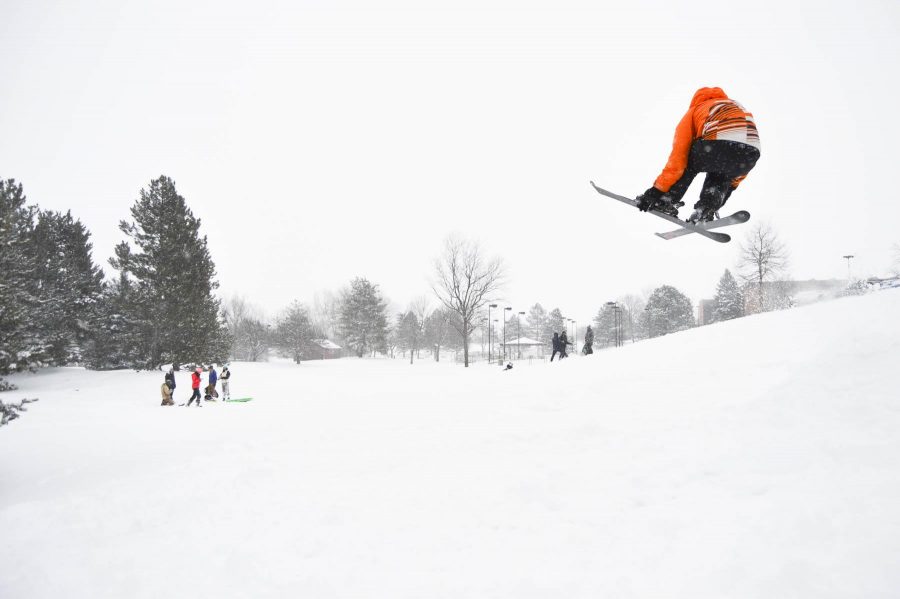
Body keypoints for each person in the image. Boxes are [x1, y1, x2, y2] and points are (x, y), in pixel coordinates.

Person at [635, 87, 761, 223]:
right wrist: (720, 199)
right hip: (751, 154)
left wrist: (657, 191)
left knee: (687, 160)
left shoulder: (696, 109)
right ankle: (706, 209)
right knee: (723, 171)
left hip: (717, 147)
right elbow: (738, 163)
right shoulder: (735, 105)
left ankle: (666, 200)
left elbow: (678, 158)